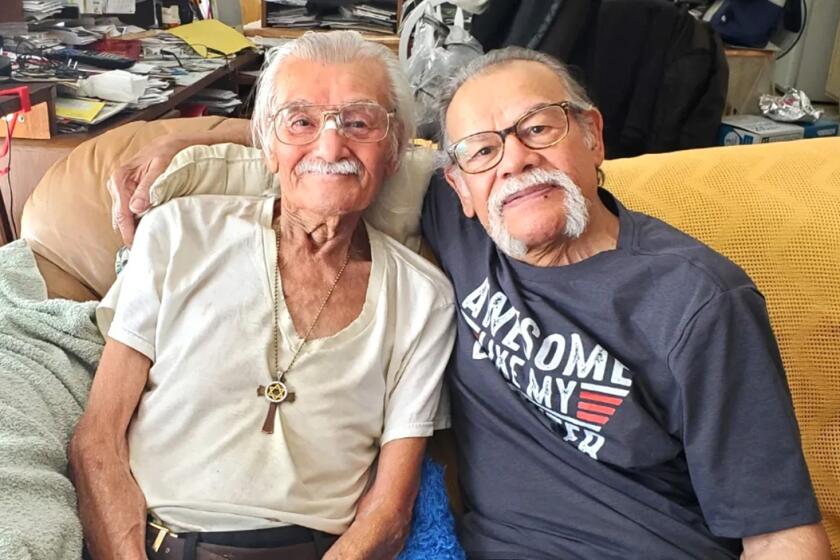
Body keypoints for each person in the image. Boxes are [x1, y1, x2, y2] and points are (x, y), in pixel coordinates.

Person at [108, 45, 830, 559]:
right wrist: (191, 130)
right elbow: (332, 149)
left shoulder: (699, 300)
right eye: (483, 149)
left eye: (539, 129)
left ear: (591, 134)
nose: (512, 159)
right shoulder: (462, 217)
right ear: (457, 182)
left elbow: (780, 533)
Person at [70, 31, 456, 560]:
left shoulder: (422, 298)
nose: (329, 146)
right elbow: (98, 441)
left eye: (359, 122)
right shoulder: (178, 233)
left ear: (393, 152)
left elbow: (388, 513)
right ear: (268, 147)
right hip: (153, 542)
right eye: (301, 121)